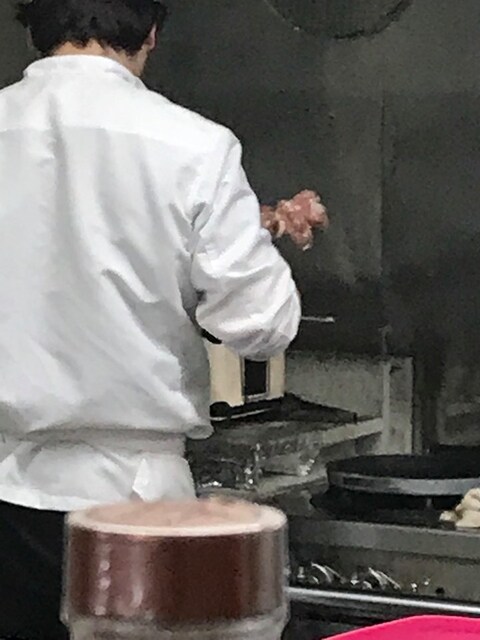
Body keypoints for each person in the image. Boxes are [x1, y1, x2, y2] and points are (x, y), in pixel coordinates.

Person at [0, 0, 305, 638]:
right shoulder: (194, 146)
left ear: (33, 27)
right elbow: (258, 324)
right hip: (134, 507)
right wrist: (250, 238)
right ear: (152, 33)